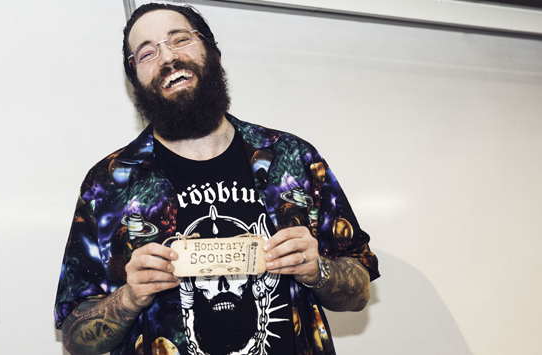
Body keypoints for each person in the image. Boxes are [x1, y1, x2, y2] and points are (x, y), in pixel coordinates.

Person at [54, 3, 379, 355]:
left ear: (213, 53)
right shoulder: (108, 183)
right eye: (147, 52)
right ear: (136, 80)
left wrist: (319, 271)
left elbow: (360, 289)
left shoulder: (292, 158)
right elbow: (74, 336)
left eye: (179, 40)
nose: (167, 58)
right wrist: (129, 298)